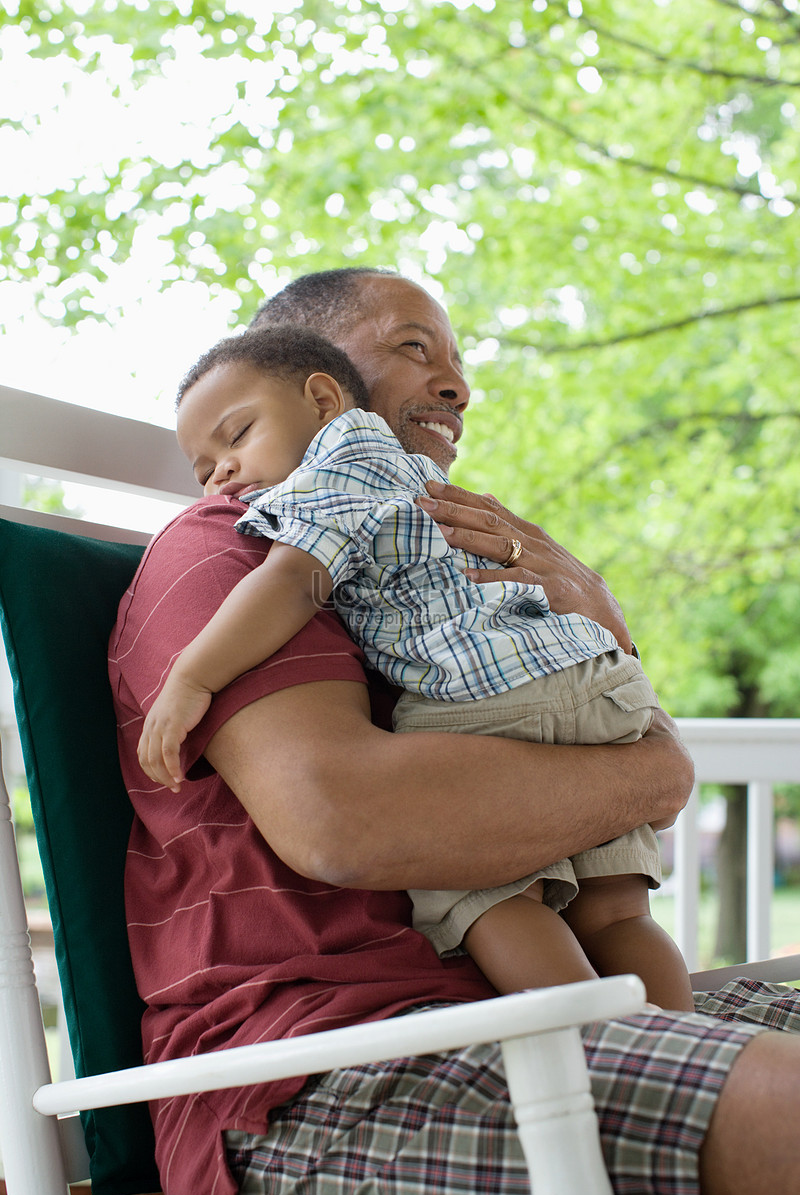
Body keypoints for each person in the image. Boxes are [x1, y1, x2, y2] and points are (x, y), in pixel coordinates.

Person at [110, 266, 800, 1195]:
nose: (457, 387)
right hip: (322, 1073)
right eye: (412, 348)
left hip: (510, 1007)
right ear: (325, 379)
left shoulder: (431, 549)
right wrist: (657, 769)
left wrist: (601, 617)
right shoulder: (226, 547)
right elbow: (344, 821)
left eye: (456, 360)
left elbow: (603, 738)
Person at [137, 322, 692, 1010]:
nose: (220, 473)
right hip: (590, 681)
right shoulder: (418, 487)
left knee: (493, 905)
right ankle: (682, 1039)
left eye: (237, 435)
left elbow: (294, 582)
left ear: (323, 400)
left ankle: (615, 1055)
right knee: (619, 917)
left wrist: (192, 678)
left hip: (479, 692)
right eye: (203, 469)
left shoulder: (333, 468)